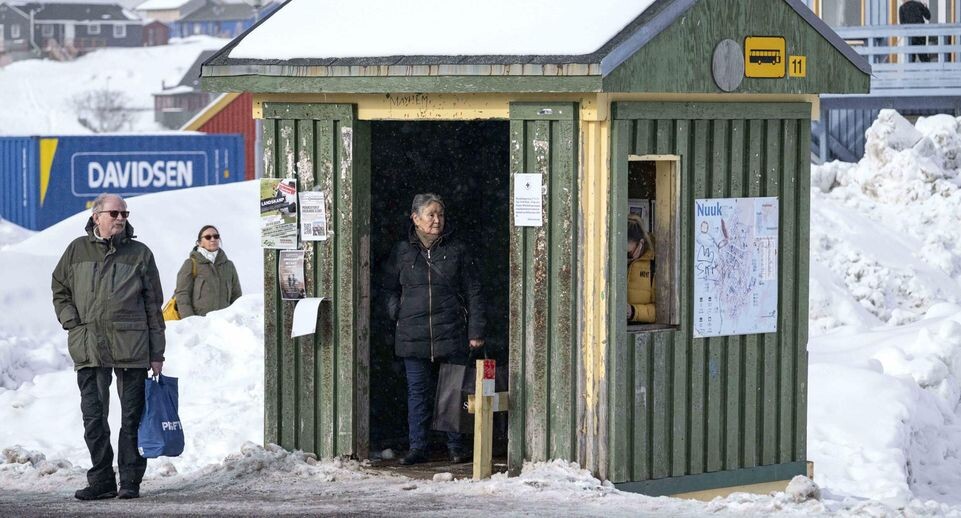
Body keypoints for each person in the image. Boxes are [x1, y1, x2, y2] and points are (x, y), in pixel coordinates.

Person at [51, 193, 165, 500]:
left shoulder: (140, 253)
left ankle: (130, 480)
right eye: (114, 213)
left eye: (125, 214)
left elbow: (154, 307)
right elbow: (59, 288)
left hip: (132, 347)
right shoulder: (77, 250)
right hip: (89, 346)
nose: (120, 218)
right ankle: (101, 480)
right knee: (94, 418)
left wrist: (157, 354)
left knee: (132, 418)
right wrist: (72, 322)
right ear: (97, 215)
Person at [381, 193, 486, 465]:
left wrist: (475, 331)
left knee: (454, 390)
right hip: (412, 333)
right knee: (418, 393)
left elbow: (474, 291)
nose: (436, 220)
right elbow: (388, 288)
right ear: (415, 218)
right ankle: (418, 447)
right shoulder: (402, 251)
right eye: (430, 214)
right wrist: (397, 312)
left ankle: (455, 447)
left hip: (451, 330)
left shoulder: (457, 250)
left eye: (440, 214)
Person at [173, 225, 242, 317]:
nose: (213, 239)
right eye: (208, 237)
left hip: (225, 324)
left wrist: (235, 319)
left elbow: (236, 296)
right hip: (200, 324)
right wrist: (190, 321)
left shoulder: (229, 265)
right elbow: (182, 295)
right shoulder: (191, 264)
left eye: (216, 236)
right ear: (200, 243)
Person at [627, 213, 656, 323]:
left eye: (628, 254)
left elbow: (664, 310)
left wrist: (634, 312)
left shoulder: (656, 264)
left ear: (641, 243)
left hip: (640, 327)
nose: (625, 259)